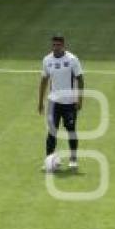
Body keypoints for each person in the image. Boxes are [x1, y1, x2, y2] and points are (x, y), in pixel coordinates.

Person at [38, 34, 84, 170]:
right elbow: (44, 81)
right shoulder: (47, 60)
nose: (56, 47)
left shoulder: (72, 59)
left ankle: (73, 159)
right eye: (54, 45)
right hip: (53, 103)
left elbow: (80, 79)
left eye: (58, 45)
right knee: (52, 132)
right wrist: (40, 102)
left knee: (71, 130)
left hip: (69, 103)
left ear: (63, 45)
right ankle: (49, 160)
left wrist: (80, 99)